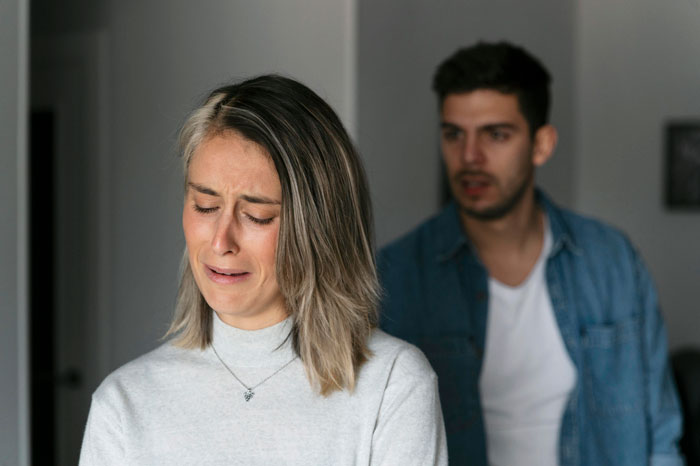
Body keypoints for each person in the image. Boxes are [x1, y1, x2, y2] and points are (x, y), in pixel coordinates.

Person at [79, 75, 447, 465]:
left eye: (257, 216)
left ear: (318, 228)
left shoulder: (392, 384)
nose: (221, 242)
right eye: (205, 206)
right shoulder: (123, 404)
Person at [378, 41, 684, 466]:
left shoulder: (611, 260)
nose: (470, 157)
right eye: (454, 134)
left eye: (496, 134)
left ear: (542, 144)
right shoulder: (396, 275)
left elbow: (661, 438)